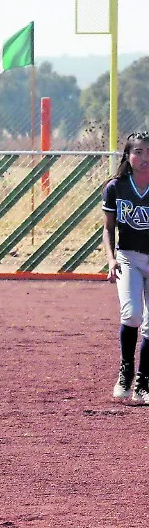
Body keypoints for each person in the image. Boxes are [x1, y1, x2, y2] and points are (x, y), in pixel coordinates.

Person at [103, 131, 149, 403]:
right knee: (132, 315)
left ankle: (143, 381)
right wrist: (111, 258)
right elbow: (108, 228)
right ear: (128, 156)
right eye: (138, 152)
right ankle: (126, 370)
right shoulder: (116, 187)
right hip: (128, 257)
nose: (144, 158)